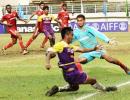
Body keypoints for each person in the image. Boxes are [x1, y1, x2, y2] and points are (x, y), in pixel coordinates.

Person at [45, 27, 117, 96]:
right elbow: (50, 53)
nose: (73, 37)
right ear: (66, 35)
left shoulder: (70, 46)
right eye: (72, 35)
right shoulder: (60, 45)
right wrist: (47, 63)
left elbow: (82, 50)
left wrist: (94, 49)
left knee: (74, 88)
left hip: (70, 73)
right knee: (93, 80)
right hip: (72, 74)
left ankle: (58, 89)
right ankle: (105, 89)